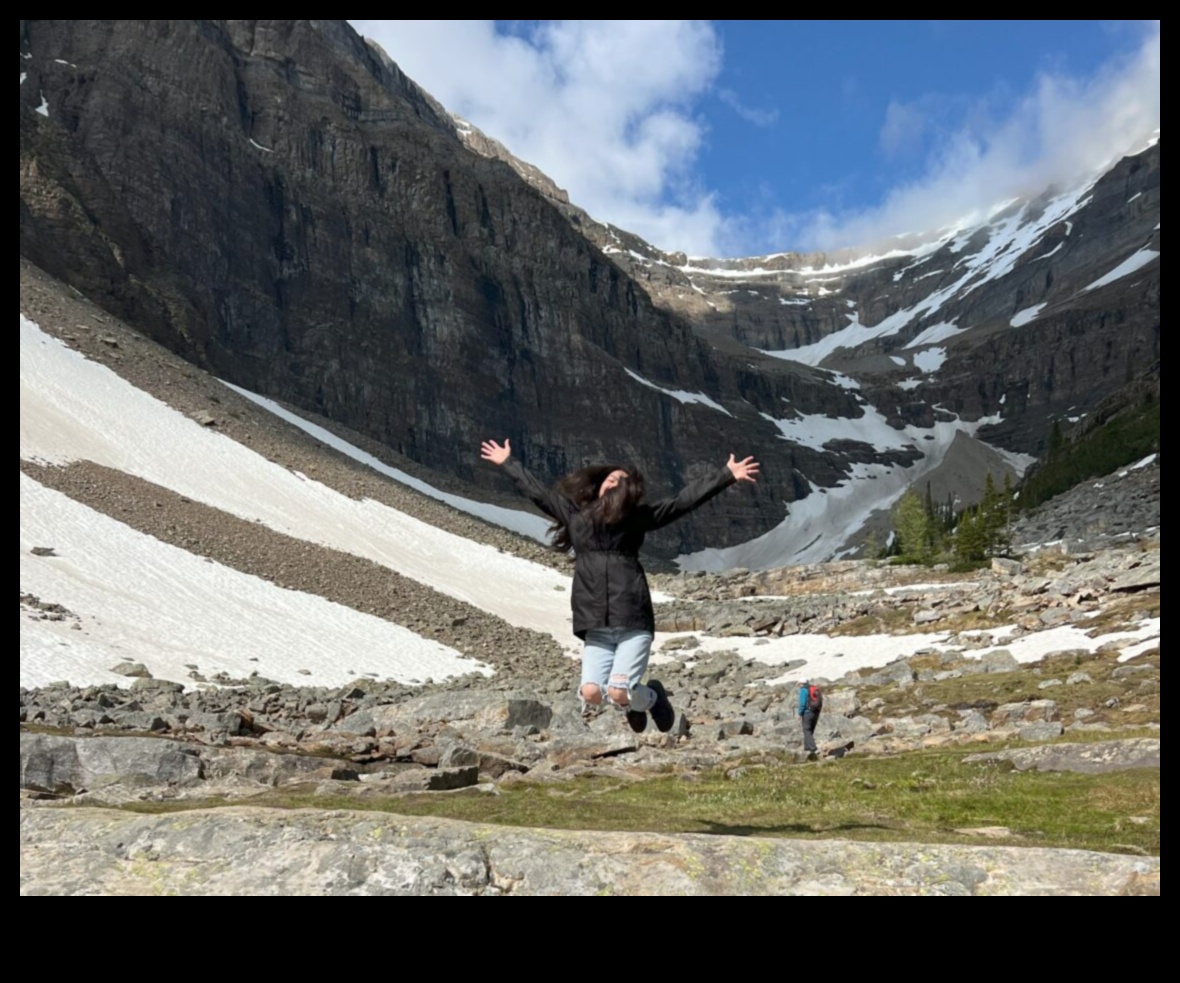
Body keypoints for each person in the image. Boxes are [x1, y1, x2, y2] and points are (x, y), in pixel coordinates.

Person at [481, 438, 759, 733]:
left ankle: (651, 698)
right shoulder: (576, 518)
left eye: (621, 480)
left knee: (618, 691)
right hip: (595, 623)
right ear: (599, 487)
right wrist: (508, 462)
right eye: (609, 478)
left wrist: (726, 475)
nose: (613, 482)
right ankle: (630, 703)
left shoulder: (637, 519)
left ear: (630, 492)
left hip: (632, 619)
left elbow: (682, 502)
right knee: (591, 694)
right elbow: (539, 493)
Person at [798, 679, 822, 754]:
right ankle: (807, 748)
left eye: (799, 684)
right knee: (810, 730)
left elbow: (802, 703)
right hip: (816, 712)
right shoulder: (814, 688)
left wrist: (800, 713)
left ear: (802, 684)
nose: (799, 686)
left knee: (806, 730)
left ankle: (813, 748)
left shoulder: (803, 690)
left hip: (807, 712)